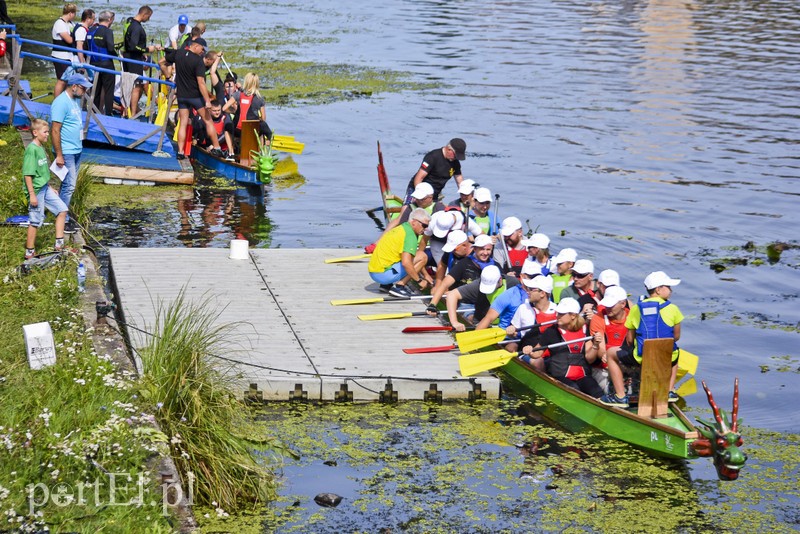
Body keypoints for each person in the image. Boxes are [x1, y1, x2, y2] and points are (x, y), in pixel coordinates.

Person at [520, 297, 604, 398]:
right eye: (557, 313)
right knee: (574, 390)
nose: (557, 316)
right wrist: (529, 351)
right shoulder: (551, 332)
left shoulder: (584, 330)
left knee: (597, 392)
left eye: (561, 314)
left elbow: (590, 359)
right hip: (560, 376)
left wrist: (595, 345)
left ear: (573, 316)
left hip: (583, 376)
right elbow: (537, 354)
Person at [622, 271, 684, 402]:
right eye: (668, 287)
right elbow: (676, 337)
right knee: (676, 354)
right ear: (658, 289)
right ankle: (670, 391)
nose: (671, 290)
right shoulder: (673, 308)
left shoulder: (636, 308)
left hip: (642, 357)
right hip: (666, 356)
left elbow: (629, 339)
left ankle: (619, 395)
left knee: (611, 354)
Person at [51, 73, 91, 234]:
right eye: (83, 88)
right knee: (70, 186)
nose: (85, 92)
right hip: (66, 151)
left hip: (76, 149)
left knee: (66, 184)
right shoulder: (61, 102)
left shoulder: (75, 101)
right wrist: (59, 155)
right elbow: (55, 130)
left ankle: (61, 212)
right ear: (73, 86)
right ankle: (64, 220)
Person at [22, 119, 68, 260]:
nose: (48, 134)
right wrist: (32, 195)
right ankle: (29, 253)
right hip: (35, 191)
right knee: (35, 220)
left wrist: (49, 187)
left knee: (62, 209)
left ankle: (59, 244)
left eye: (48, 131)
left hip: (44, 187)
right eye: (45, 132)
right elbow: (28, 175)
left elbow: (41, 172)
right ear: (35, 133)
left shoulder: (41, 147)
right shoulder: (31, 150)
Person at [427, 232, 500, 314]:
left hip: (487, 302)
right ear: (475, 249)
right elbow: (445, 284)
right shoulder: (464, 264)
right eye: (482, 249)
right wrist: (432, 305)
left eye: (488, 249)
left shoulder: (496, 266)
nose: (485, 253)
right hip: (467, 303)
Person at [175, 38, 223, 160]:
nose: (202, 52)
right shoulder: (198, 61)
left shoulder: (179, 54)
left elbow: (164, 60)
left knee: (183, 123)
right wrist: (207, 100)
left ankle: (180, 152)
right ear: (196, 46)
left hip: (181, 96)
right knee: (208, 121)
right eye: (202, 49)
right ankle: (217, 148)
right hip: (195, 97)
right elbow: (201, 83)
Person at [367, 208, 433, 297]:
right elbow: (406, 263)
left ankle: (386, 285)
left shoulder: (401, 227)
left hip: (373, 270)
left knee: (412, 256)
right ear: (414, 222)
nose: (425, 229)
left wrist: (425, 274)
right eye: (424, 225)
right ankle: (399, 286)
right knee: (422, 256)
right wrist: (419, 281)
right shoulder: (410, 236)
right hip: (382, 275)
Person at [444, 265, 519, 330]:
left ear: (500, 279)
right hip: (481, 324)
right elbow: (452, 295)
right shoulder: (478, 284)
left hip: (508, 326)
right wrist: (455, 322)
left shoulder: (513, 284)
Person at [593, 286, 632, 406]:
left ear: (623, 304)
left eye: (612, 305)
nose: (608, 308)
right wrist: (604, 355)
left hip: (627, 363)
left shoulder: (633, 316)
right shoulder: (598, 318)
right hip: (604, 366)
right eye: (607, 305)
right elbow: (601, 351)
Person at [121, 5, 161, 118]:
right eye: (149, 17)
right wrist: (148, 49)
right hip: (133, 59)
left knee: (130, 84)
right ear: (145, 14)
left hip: (128, 57)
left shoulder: (129, 22)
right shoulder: (137, 28)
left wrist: (142, 53)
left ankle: (128, 110)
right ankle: (133, 113)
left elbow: (128, 43)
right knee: (137, 85)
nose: (149, 19)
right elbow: (134, 46)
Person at [227, 72, 272, 147]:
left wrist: (234, 112)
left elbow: (224, 108)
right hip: (252, 130)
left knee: (227, 127)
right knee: (262, 127)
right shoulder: (259, 99)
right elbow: (263, 118)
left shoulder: (238, 94)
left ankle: (231, 151)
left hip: (238, 130)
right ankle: (261, 149)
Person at [89, 11, 116, 116]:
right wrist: (116, 55)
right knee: (109, 90)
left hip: (93, 63)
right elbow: (110, 47)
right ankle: (109, 114)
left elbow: (87, 46)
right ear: (109, 20)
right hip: (106, 64)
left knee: (96, 89)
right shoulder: (108, 32)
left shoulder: (91, 30)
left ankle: (94, 112)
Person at [51, 3, 78, 96]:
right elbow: (69, 40)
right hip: (60, 56)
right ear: (71, 13)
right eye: (74, 14)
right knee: (61, 80)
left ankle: (64, 101)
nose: (75, 16)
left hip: (69, 56)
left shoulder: (71, 24)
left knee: (67, 81)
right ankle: (56, 102)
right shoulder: (59, 23)